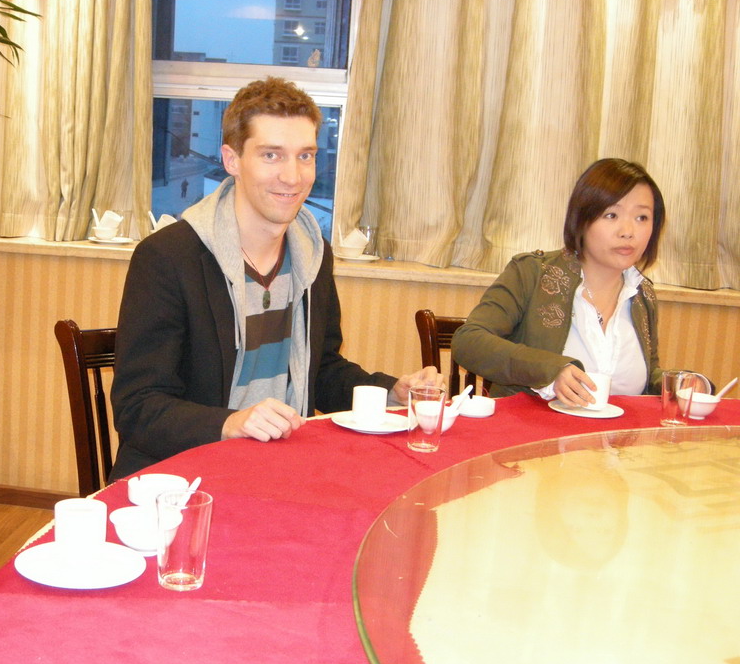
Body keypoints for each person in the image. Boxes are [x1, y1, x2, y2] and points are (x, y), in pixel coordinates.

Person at [110, 77, 441, 478]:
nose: (293, 176)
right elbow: (138, 406)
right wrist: (230, 423)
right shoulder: (168, 257)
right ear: (232, 160)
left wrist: (392, 392)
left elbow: (321, 370)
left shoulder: (312, 254)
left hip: (281, 467)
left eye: (305, 156)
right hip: (180, 478)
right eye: (271, 155)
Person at [451, 158, 665, 408]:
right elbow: (469, 341)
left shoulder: (642, 294)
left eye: (642, 217)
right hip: (531, 438)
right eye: (611, 215)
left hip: (614, 444)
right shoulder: (532, 273)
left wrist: (677, 384)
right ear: (582, 219)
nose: (628, 231)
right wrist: (552, 371)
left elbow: (647, 379)